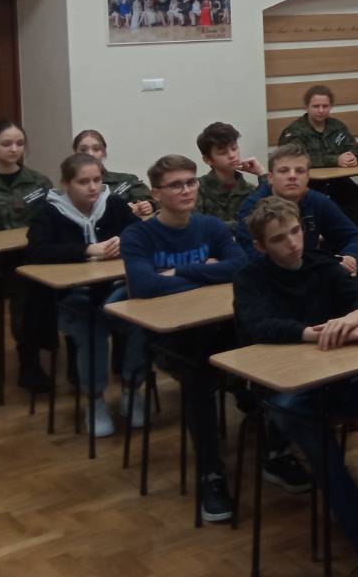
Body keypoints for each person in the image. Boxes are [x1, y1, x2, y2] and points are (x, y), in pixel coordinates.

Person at [234, 197, 358, 577]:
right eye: (279, 239)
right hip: (281, 390)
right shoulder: (250, 278)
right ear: (260, 246)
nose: (292, 243)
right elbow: (259, 326)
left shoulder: (322, 265)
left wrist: (353, 317)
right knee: (306, 425)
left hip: (333, 379)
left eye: (295, 232)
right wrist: (317, 333)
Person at [118, 154, 246, 523]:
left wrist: (178, 272)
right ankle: (211, 474)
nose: (187, 190)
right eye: (176, 185)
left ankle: (275, 450)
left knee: (263, 355)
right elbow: (144, 285)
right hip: (169, 338)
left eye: (191, 182)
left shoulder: (210, 226)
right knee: (199, 379)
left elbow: (240, 267)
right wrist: (207, 271)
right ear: (156, 194)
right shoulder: (138, 235)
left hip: (217, 327)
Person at [25, 152, 143, 436]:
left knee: (141, 319)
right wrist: (87, 249)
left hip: (114, 289)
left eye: (97, 180)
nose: (93, 187)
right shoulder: (48, 212)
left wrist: (123, 241)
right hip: (71, 298)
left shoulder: (113, 203)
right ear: (65, 184)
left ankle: (132, 388)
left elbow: (139, 233)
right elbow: (37, 251)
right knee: (92, 326)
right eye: (83, 181)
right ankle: (95, 399)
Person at [0, 119, 54, 391]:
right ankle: (29, 358)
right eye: (6, 144)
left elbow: (50, 221)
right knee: (26, 285)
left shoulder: (39, 182)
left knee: (50, 282)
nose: (14, 149)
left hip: (34, 255)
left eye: (19, 143)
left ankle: (51, 345)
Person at [233, 144, 358, 270]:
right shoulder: (253, 207)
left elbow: (354, 237)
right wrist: (323, 263)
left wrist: (348, 256)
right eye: (284, 171)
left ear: (308, 178)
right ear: (270, 178)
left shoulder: (316, 201)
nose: (292, 176)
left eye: (300, 171)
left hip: (314, 271)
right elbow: (250, 257)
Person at [279, 84, 358, 226]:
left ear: (331, 106)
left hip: (338, 182)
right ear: (306, 107)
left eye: (325, 106)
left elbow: (357, 149)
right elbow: (294, 159)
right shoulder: (294, 131)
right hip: (308, 184)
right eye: (316, 106)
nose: (321, 110)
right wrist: (335, 160)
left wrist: (353, 156)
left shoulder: (337, 126)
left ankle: (348, 236)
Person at [195, 121, 266, 230]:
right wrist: (242, 225)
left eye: (234, 148)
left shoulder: (250, 190)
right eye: (222, 152)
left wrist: (262, 174)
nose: (232, 155)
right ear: (207, 160)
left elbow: (267, 221)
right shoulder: (197, 188)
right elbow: (196, 227)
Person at [73, 129, 155, 218]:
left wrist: (148, 205)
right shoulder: (71, 186)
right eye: (83, 150)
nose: (90, 154)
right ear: (75, 153)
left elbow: (151, 199)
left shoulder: (126, 180)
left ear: (103, 152)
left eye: (96, 149)